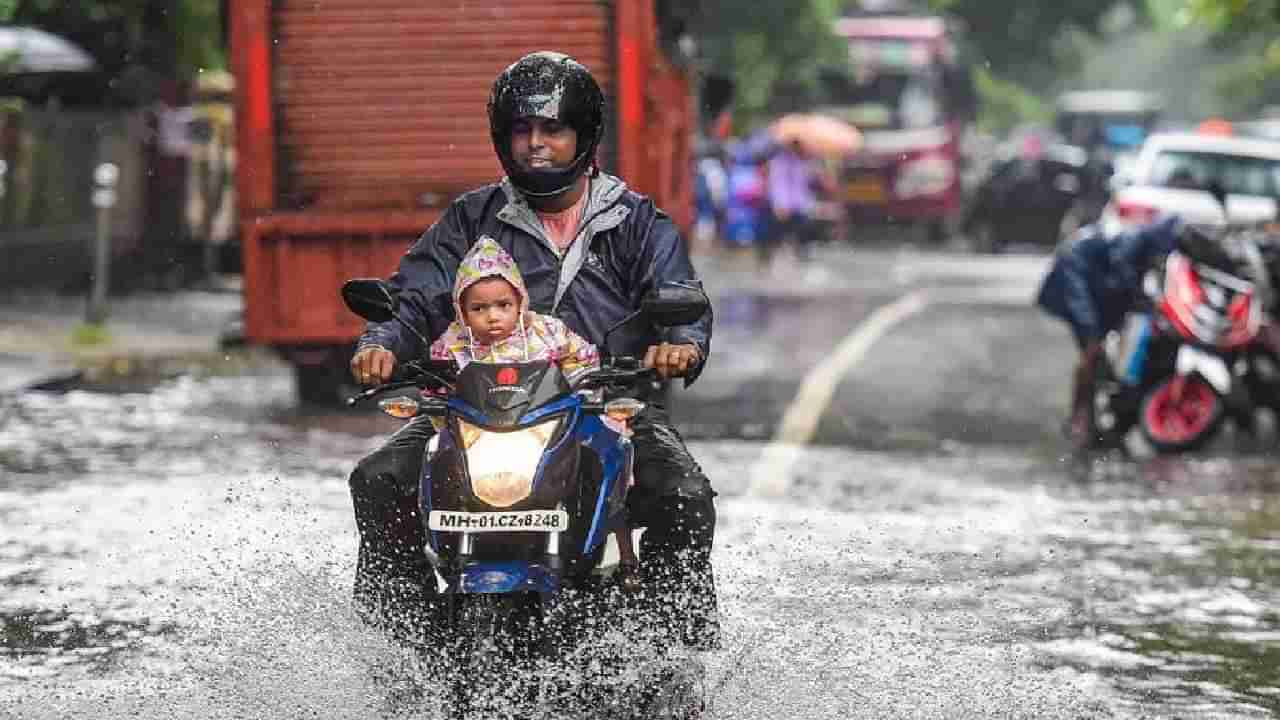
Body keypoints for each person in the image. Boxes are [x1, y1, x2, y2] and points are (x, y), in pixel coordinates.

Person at [346, 51, 717, 648]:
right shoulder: (471, 219)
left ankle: (674, 650)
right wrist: (380, 342)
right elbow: (413, 298)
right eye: (522, 130)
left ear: (584, 135)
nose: (536, 144)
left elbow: (682, 300)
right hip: (474, 408)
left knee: (685, 497)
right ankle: (400, 646)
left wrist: (679, 344)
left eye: (552, 129)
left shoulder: (638, 222)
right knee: (379, 479)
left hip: (603, 407)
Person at [425, 234, 642, 581]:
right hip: (479, 436)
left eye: (503, 305)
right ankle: (433, 554)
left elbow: (582, 358)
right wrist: (433, 393)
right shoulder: (452, 343)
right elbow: (435, 384)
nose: (492, 317)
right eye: (479, 309)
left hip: (546, 430)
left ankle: (623, 552)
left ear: (520, 301)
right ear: (461, 310)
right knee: (432, 455)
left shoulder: (546, 331)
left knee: (609, 449)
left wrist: (585, 382)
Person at [1036, 216, 1183, 448]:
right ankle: (1079, 417)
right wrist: (1141, 302)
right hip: (1074, 277)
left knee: (1096, 348)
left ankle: (1088, 417)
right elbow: (1122, 276)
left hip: (1090, 281)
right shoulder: (1135, 240)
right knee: (1091, 346)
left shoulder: (1142, 243)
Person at [761, 138, 818, 265]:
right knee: (777, 235)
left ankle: (799, 257)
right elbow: (776, 184)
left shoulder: (803, 164)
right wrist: (779, 204)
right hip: (783, 206)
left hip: (799, 206)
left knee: (802, 233)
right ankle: (770, 260)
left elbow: (805, 186)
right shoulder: (778, 163)